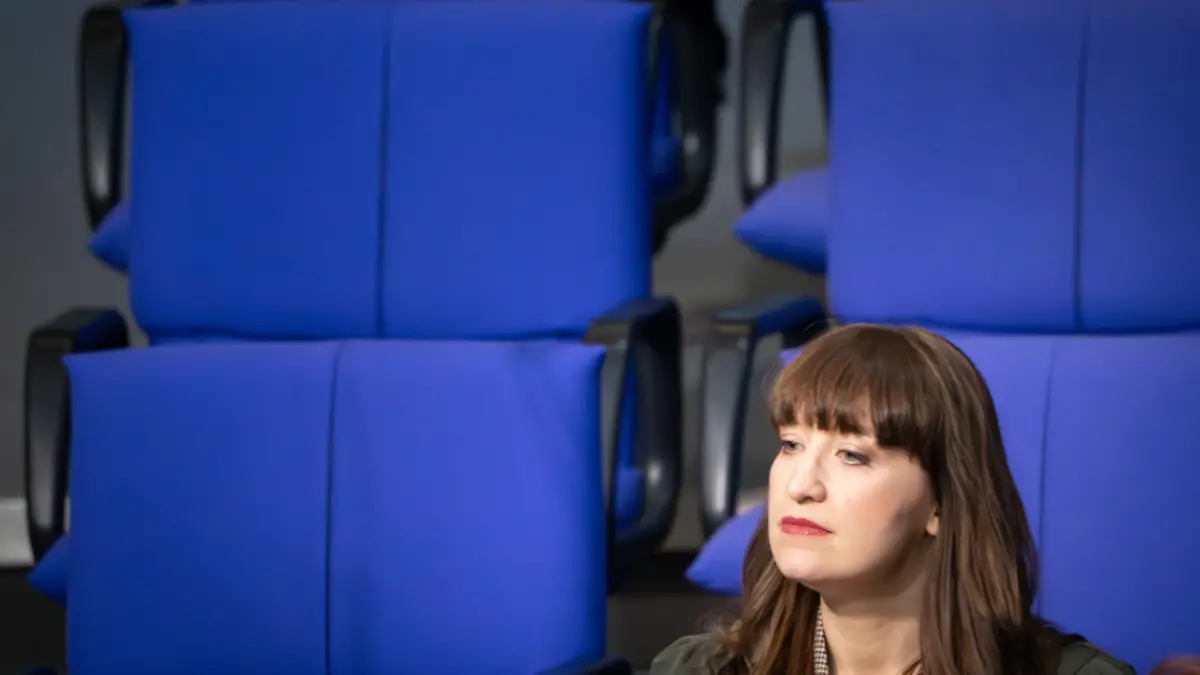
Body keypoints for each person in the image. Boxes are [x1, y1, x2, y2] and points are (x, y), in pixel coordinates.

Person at [651, 324, 1134, 675]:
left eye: (852, 455)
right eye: (791, 444)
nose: (802, 485)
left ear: (941, 503)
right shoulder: (698, 669)